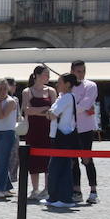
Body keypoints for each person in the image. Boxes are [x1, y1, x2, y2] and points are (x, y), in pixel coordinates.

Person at [45, 72, 80, 207]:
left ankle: (64, 198)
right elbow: (51, 113)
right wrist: (50, 113)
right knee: (56, 167)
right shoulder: (62, 97)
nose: (57, 85)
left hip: (63, 136)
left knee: (60, 168)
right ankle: (54, 197)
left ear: (68, 84)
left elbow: (52, 114)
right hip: (57, 135)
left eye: (59, 82)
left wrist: (50, 113)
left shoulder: (67, 97)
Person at [21, 65, 54, 200]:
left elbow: (53, 110)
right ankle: (35, 189)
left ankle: (47, 188)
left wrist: (38, 110)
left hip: (48, 129)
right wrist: (44, 110)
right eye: (46, 74)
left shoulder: (51, 91)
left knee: (47, 158)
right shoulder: (27, 91)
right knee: (33, 159)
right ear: (37, 75)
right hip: (33, 129)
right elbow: (27, 110)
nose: (48, 77)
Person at [70, 60, 99, 204]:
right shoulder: (68, 86)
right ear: (72, 71)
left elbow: (86, 104)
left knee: (87, 159)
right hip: (70, 128)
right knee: (73, 160)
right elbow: (63, 102)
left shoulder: (91, 85)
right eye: (78, 71)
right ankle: (76, 190)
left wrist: (71, 107)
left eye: (83, 71)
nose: (81, 74)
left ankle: (93, 191)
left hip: (86, 128)